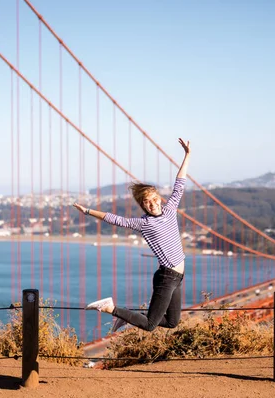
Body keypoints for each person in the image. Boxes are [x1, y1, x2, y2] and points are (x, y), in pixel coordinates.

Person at [73, 137, 191, 333]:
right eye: (147, 202)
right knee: (150, 325)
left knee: (172, 322)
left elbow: (179, 184)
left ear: (159, 198)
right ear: (143, 205)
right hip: (166, 277)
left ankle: (128, 317)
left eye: (154, 199)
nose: (152, 204)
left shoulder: (170, 210)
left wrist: (187, 155)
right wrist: (87, 211)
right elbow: (115, 219)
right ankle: (110, 308)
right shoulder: (143, 223)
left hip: (178, 277)